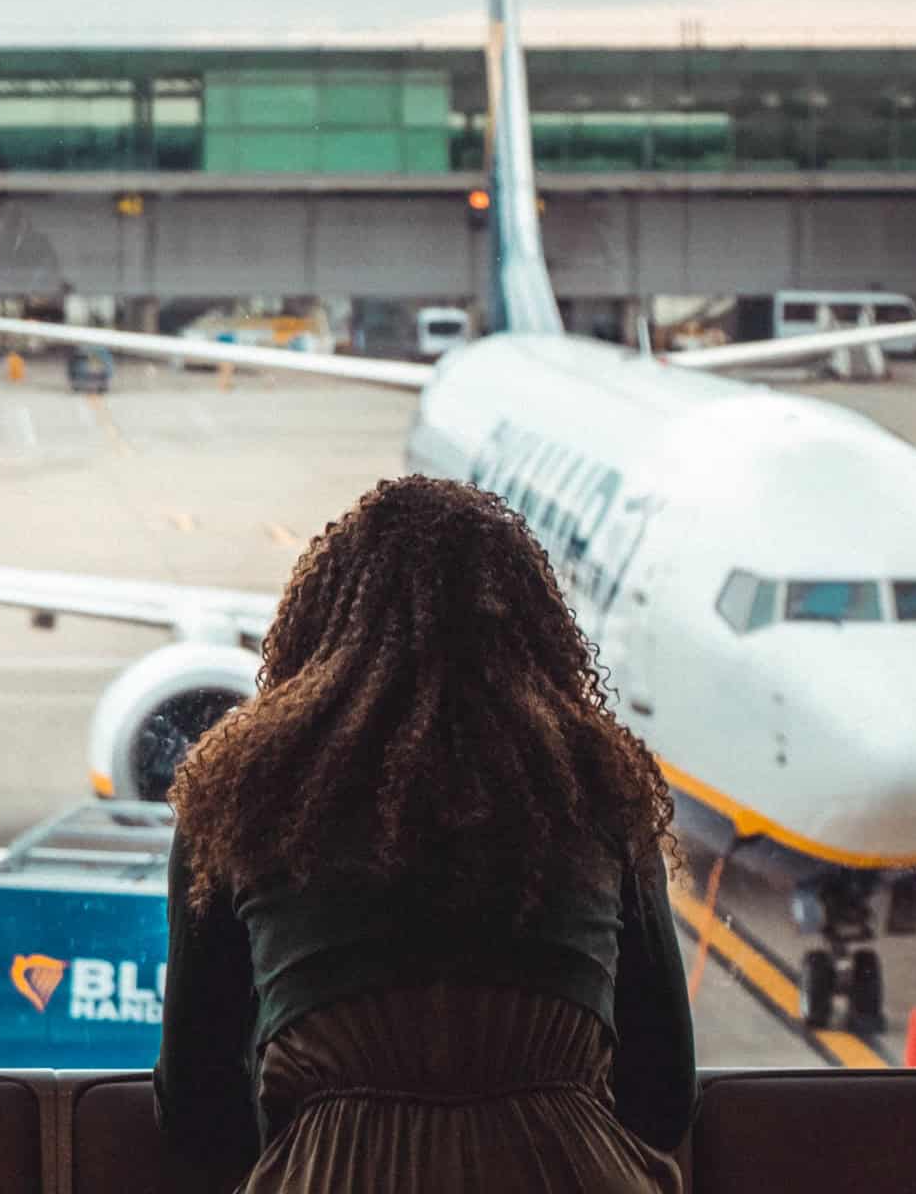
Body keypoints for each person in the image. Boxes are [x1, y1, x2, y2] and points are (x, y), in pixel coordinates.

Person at [154, 475, 695, 1193]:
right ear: (532, 625)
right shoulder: (601, 786)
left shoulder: (241, 795)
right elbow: (662, 1090)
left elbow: (195, 1098)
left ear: (320, 622)